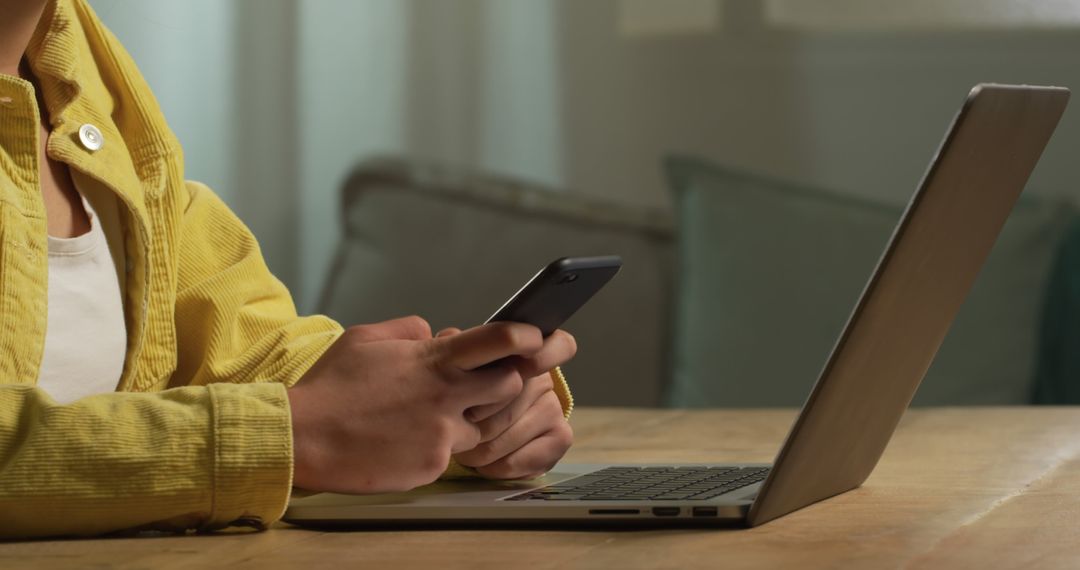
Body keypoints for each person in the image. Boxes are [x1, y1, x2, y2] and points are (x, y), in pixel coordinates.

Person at [0, 0, 576, 538]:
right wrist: (287, 435)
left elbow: (247, 352)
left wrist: (454, 403)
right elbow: (288, 420)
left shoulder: (77, 57)